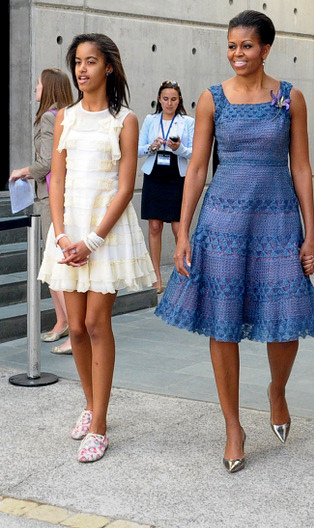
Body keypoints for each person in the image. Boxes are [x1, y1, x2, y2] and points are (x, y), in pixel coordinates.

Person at [155, 10, 314, 474]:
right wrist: (183, 230)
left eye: (246, 46)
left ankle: (277, 390)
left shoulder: (290, 97)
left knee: (286, 319)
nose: (237, 54)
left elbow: (301, 166)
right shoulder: (211, 98)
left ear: (266, 49)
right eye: (232, 46)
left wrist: (310, 233)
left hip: (277, 217)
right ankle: (233, 427)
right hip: (223, 219)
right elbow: (196, 169)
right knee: (222, 321)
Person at [38, 34, 156, 463]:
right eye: (77, 62)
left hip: (105, 234)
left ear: (108, 67)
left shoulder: (125, 119)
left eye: (90, 61)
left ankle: (100, 425)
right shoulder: (65, 117)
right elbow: (57, 178)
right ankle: (89, 405)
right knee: (75, 328)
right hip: (68, 232)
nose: (82, 69)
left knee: (94, 322)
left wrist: (92, 240)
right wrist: (62, 235)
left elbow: (125, 188)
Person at [9, 68, 74, 354]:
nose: (35, 89)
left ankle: (73, 331)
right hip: (57, 195)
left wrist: (23, 170)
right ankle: (62, 322)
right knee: (51, 263)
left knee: (55, 264)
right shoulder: (65, 115)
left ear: (48, 88)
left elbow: (47, 162)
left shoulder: (50, 117)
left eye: (38, 85)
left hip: (52, 198)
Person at [138, 81, 195, 292]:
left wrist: (179, 148)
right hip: (154, 174)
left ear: (179, 100)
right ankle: (156, 276)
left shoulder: (187, 122)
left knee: (178, 227)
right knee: (154, 226)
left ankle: (184, 273)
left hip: (176, 175)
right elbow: (137, 149)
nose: (169, 103)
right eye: (165, 99)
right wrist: (152, 147)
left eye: (173, 99)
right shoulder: (150, 120)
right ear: (159, 100)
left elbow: (194, 152)